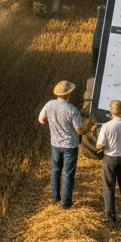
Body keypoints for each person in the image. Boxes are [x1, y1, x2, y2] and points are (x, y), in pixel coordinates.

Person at [38, 80, 86, 209]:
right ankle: (66, 203)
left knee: (55, 171)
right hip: (70, 145)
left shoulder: (49, 105)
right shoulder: (72, 109)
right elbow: (80, 130)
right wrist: (90, 125)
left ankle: (55, 198)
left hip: (55, 144)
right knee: (68, 174)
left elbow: (42, 120)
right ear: (69, 93)